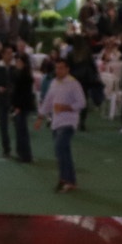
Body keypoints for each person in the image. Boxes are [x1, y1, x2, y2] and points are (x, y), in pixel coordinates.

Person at [38, 57, 85, 191]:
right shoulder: (54, 82)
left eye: (61, 68)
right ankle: (70, 181)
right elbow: (48, 100)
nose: (58, 71)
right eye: (57, 68)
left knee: (60, 148)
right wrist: (41, 116)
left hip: (68, 122)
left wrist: (66, 107)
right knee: (63, 152)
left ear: (67, 69)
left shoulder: (73, 84)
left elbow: (81, 103)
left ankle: (64, 179)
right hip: (56, 122)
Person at [8, 51, 36, 163]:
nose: (17, 63)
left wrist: (18, 106)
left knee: (22, 131)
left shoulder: (25, 76)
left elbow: (23, 93)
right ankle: (22, 153)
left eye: (20, 61)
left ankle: (25, 155)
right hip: (18, 105)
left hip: (22, 106)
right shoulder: (18, 74)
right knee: (20, 131)